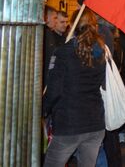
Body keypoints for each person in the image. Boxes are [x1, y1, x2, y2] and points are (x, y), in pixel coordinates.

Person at [43, 9, 106, 167]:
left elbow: (54, 90)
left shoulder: (63, 52)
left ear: (73, 25)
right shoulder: (101, 52)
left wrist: (43, 110)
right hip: (95, 122)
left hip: (69, 123)